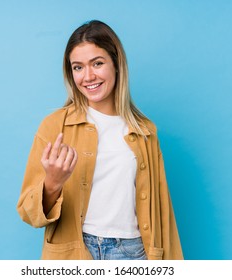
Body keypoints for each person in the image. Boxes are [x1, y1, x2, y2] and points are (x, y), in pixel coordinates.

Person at [17, 20, 183, 260]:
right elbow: (28, 213)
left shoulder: (145, 131)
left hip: (132, 253)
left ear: (116, 64)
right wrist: (52, 183)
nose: (88, 76)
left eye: (97, 63)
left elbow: (163, 215)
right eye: (78, 67)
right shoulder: (55, 126)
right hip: (74, 253)